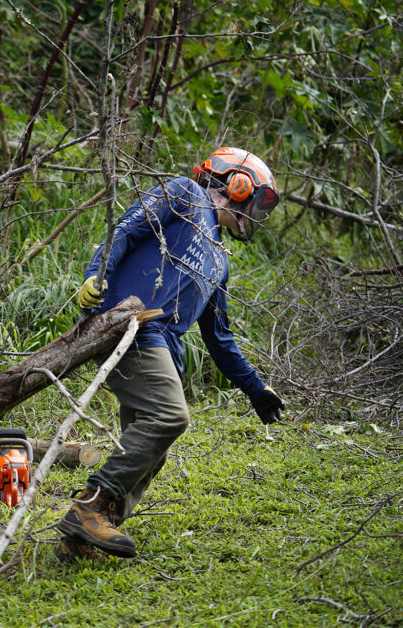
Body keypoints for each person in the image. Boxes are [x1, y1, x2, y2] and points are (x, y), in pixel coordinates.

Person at [56, 147, 285, 562]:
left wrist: (256, 389)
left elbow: (220, 338)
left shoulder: (220, 261)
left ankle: (83, 536)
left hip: (162, 347)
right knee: (170, 417)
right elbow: (124, 229)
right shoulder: (184, 194)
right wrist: (96, 276)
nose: (258, 214)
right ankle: (90, 507)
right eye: (258, 202)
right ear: (237, 184)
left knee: (149, 454)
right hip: (132, 326)